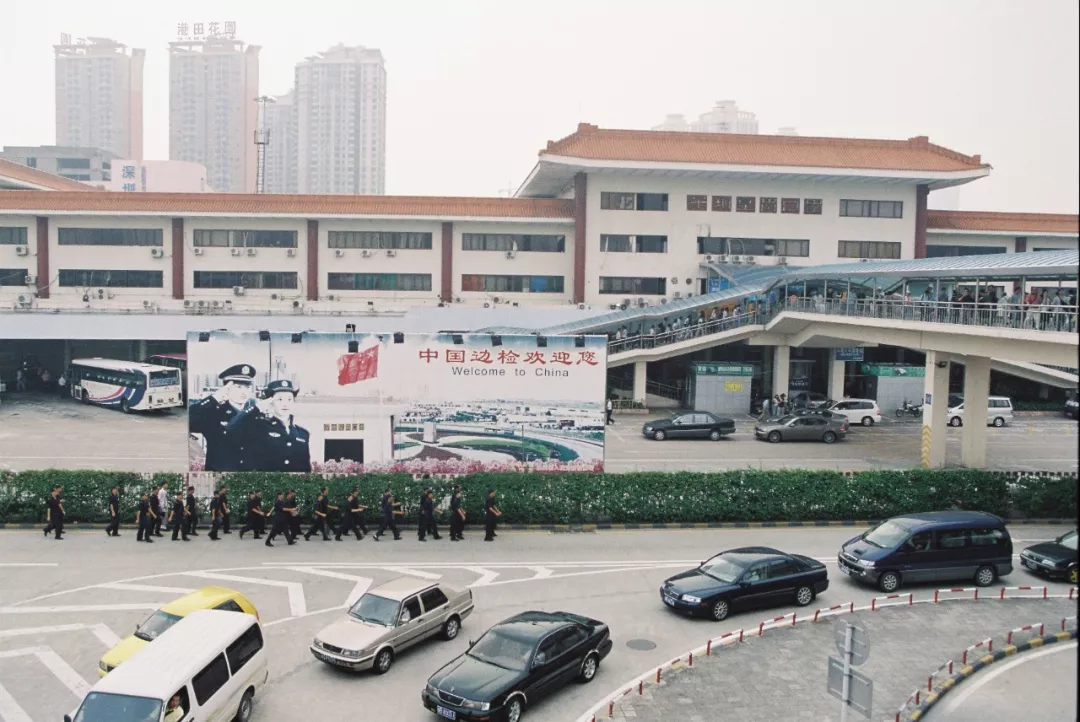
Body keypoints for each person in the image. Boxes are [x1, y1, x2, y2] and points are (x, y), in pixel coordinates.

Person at [228, 380, 312, 472]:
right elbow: (232, 427)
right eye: (280, 399)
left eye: (289, 399)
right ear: (270, 402)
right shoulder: (259, 427)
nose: (285, 404)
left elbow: (305, 470)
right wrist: (257, 407)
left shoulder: (303, 434)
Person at [188, 364, 258, 471]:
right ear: (227, 389)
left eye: (247, 387)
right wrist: (214, 398)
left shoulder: (256, 416)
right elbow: (189, 421)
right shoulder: (214, 413)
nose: (244, 392)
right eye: (238, 387)